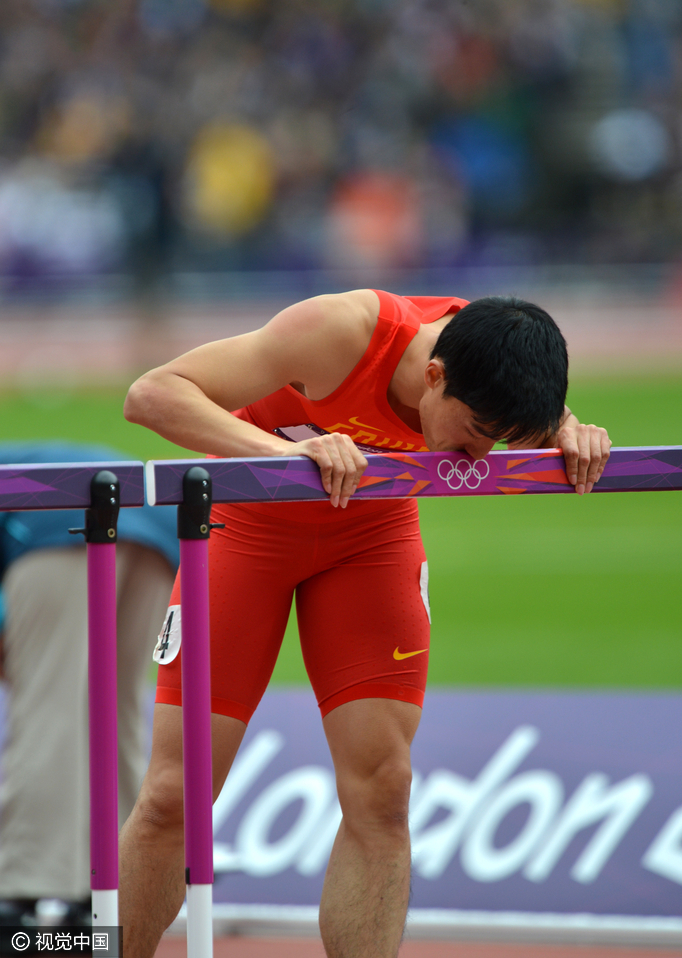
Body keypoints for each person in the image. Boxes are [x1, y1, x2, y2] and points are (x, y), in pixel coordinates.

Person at [121, 290, 611, 958]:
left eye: (498, 439)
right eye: (475, 431)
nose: (478, 453)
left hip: (372, 534)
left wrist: (570, 428)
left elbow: (526, 407)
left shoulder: (493, 350)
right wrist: (280, 455)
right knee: (174, 797)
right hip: (249, 524)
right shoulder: (337, 332)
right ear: (435, 376)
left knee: (384, 790)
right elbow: (151, 394)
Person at [0, 442, 179, 927]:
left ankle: (24, 885)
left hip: (58, 524)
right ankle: (113, 882)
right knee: (113, 708)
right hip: (158, 529)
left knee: (48, 706)